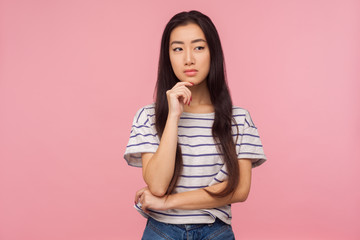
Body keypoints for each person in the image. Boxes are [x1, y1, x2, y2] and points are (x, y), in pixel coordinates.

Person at [124, 10, 267, 240]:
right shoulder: (148, 117)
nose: (188, 58)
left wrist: (167, 202)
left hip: (215, 231)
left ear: (213, 53)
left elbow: (239, 190)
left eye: (199, 47)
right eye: (178, 48)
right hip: (161, 232)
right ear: (167, 56)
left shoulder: (238, 120)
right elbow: (158, 186)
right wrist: (173, 117)